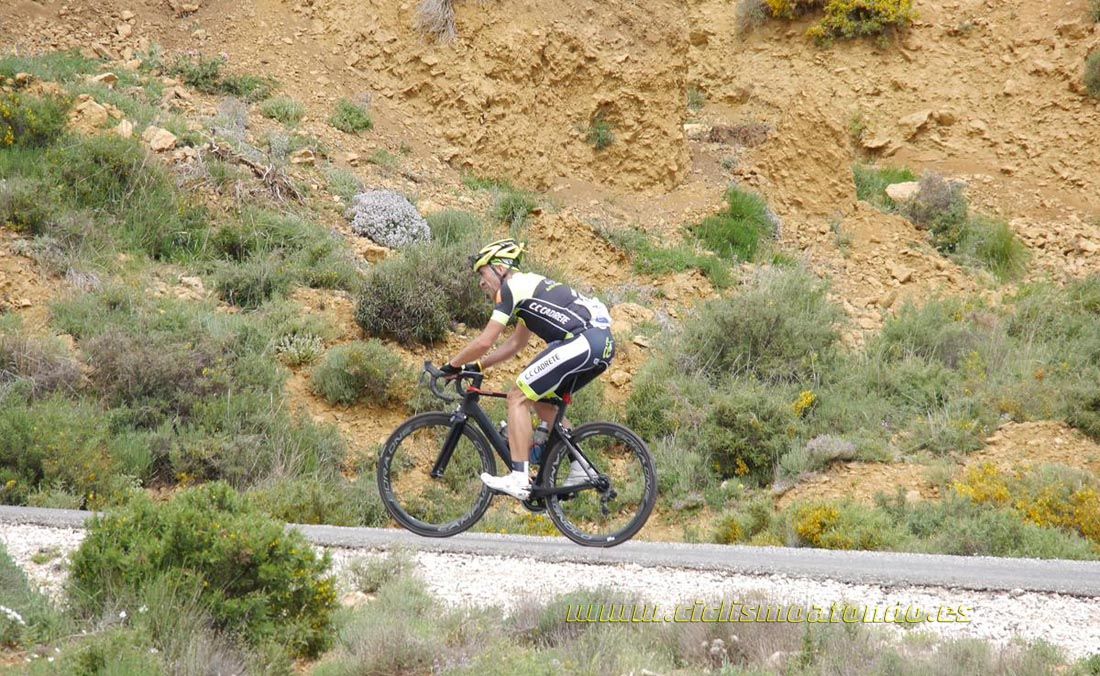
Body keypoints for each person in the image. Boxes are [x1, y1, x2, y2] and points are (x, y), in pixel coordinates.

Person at [441, 238, 615, 500]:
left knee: (518, 396)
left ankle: (519, 477)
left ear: (500, 268)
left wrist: (451, 366)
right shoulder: (528, 290)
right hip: (600, 345)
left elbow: (485, 340)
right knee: (542, 403)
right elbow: (515, 344)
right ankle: (580, 465)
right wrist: (478, 365)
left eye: (482, 272)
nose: (480, 282)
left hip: (584, 340)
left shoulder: (511, 288)